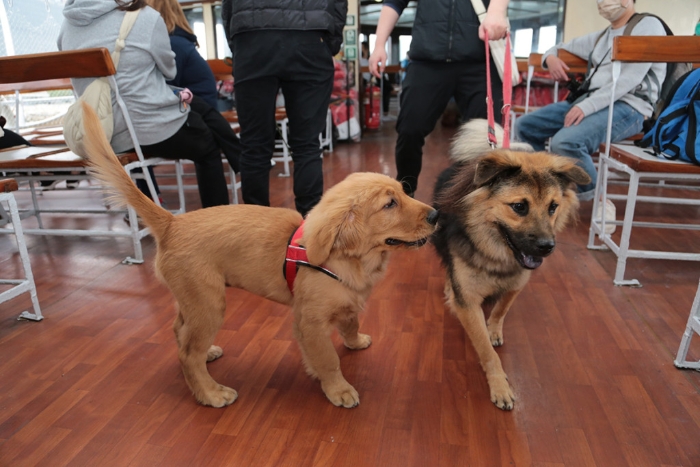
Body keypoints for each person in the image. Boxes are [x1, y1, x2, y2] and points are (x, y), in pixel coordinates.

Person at [58, 0, 230, 209]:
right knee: (207, 144)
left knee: (198, 110)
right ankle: (219, 226)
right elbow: (170, 71)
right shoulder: (145, 17)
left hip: (101, 132)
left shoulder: (67, 25)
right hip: (150, 130)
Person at [514, 0, 666, 202]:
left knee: (566, 142)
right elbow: (558, 48)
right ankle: (544, 189)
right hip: (592, 99)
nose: (603, 2)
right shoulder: (602, 36)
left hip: (630, 105)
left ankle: (600, 202)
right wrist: (550, 59)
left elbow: (627, 80)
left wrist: (586, 107)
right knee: (525, 126)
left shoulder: (648, 26)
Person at [369, 0, 511, 197]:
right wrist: (378, 44)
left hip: (478, 60)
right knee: (409, 129)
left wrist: (496, 10)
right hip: (427, 61)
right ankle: (405, 196)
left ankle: (478, 201)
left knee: (488, 138)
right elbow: (393, 3)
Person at [221, 0, 347, 216]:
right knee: (307, 143)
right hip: (310, 35)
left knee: (254, 143)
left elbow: (227, 7)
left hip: (252, 38)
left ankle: (255, 229)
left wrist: (239, 41)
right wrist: (330, 43)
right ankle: (309, 228)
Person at [145, 0, 240, 174]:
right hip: (200, 107)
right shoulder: (179, 40)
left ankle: (148, 194)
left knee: (142, 133)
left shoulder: (173, 44)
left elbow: (166, 86)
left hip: (195, 109)